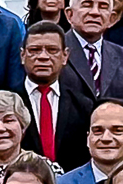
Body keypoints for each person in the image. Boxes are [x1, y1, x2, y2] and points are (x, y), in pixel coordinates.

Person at [16, 20, 91, 168]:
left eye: (52, 50)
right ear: (22, 55)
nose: (43, 56)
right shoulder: (7, 102)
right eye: (35, 50)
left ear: (65, 56)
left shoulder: (83, 106)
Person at [63, 0, 123, 105]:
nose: (95, 12)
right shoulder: (55, 52)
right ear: (69, 14)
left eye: (103, 7)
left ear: (112, 18)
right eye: (87, 5)